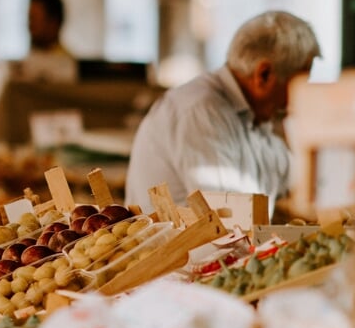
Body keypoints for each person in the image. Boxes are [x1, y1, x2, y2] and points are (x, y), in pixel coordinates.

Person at [125, 11, 321, 205]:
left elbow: (295, 175)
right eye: (299, 83)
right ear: (264, 74)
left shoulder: (253, 117)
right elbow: (231, 217)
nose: (298, 99)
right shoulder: (201, 112)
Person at [13, 0, 77, 83]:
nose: (29, 26)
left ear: (53, 23)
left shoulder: (67, 67)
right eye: (29, 20)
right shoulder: (25, 64)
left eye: (34, 19)